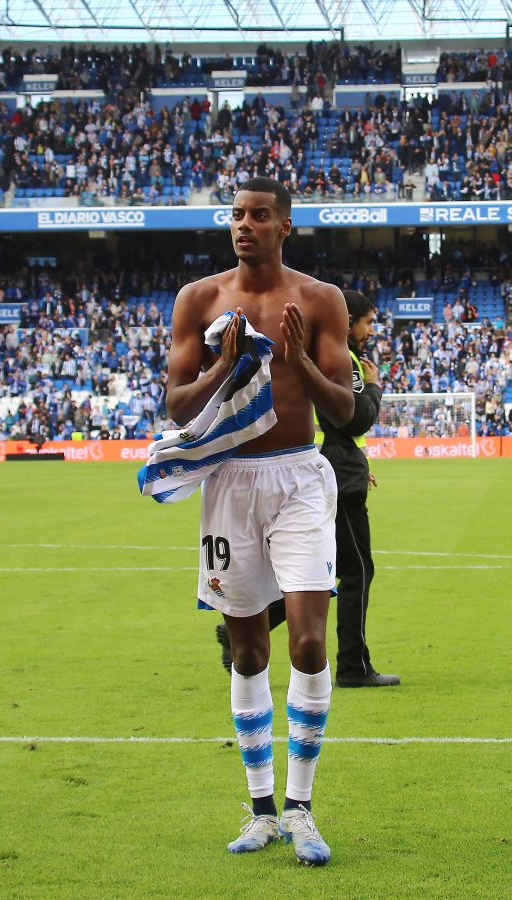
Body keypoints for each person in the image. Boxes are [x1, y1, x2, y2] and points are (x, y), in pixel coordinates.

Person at [165, 177, 353, 866]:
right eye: (236, 215)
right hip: (229, 484)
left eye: (259, 215)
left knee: (306, 643)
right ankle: (261, 810)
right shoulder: (199, 300)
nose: (244, 225)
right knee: (246, 652)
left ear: (285, 226)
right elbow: (178, 408)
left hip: (300, 478)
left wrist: (296, 358)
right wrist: (224, 366)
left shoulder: (320, 300)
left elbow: (343, 412)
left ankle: (302, 810)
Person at [215, 290, 401, 688]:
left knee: (319, 575)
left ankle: (243, 630)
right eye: (368, 322)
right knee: (356, 571)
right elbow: (353, 419)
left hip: (325, 469)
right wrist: (373, 387)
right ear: (348, 320)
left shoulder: (314, 354)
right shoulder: (345, 358)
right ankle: (353, 665)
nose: (370, 331)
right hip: (333, 478)